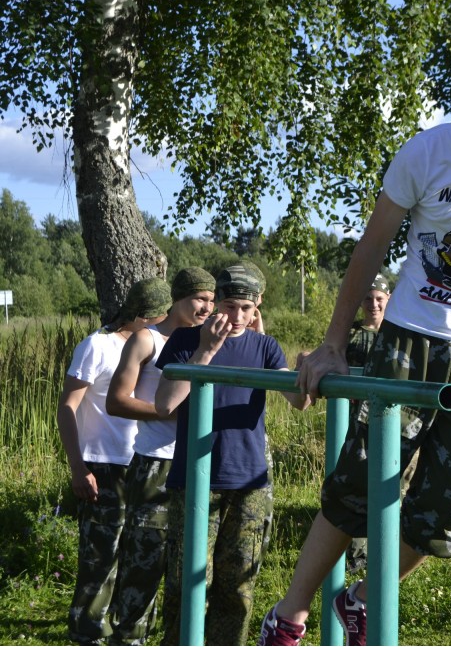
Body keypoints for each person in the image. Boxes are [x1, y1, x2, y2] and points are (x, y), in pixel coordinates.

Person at [257, 45, 451, 646]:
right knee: (358, 486)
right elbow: (371, 248)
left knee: (444, 516)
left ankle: (362, 600)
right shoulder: (427, 152)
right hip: (410, 342)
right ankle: (289, 615)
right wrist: (332, 343)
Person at [154, 264, 310, 645]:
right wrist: (206, 351)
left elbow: (298, 402)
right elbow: (164, 403)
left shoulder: (265, 346)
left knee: (237, 587)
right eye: (229, 306)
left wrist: (307, 370)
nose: (237, 316)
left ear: (257, 305)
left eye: (246, 308)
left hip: (249, 482)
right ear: (217, 302)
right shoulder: (186, 340)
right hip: (194, 479)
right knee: (185, 584)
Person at [57, 277, 172, 645]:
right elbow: (67, 407)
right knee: (100, 558)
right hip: (102, 465)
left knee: (139, 557)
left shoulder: (157, 346)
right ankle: (87, 633)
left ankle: (126, 632)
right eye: (162, 316)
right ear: (143, 315)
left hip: (142, 464)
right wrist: (78, 468)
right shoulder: (97, 345)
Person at [104, 267, 216, 644]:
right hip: (156, 463)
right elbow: (117, 401)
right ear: (178, 298)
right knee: (144, 563)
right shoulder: (147, 339)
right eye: (199, 298)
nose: (207, 307)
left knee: (190, 569)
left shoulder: (209, 340)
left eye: (212, 300)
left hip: (199, 464)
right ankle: (129, 638)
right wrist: (172, 413)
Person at [344, 273, 391, 571]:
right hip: (356, 420)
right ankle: (357, 552)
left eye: (379, 299)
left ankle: (388, 547)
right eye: (368, 298)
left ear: (388, 300)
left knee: (391, 483)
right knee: (358, 481)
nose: (373, 304)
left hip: (391, 419)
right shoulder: (350, 335)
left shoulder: (398, 334)